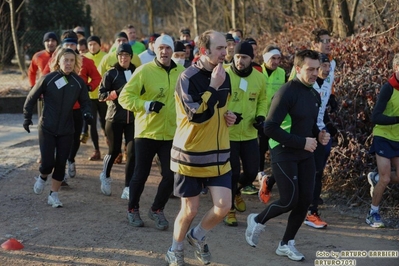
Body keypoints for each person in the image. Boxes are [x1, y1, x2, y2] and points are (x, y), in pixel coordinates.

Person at [245, 49, 330, 262]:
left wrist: (318, 135)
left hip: (305, 152)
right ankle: (257, 220)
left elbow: (308, 124)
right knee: (289, 199)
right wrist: (303, 141)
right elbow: (270, 128)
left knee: (305, 200)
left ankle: (286, 244)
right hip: (283, 151)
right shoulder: (286, 92)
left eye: (317, 69)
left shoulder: (313, 93)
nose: (314, 73)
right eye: (310, 69)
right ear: (298, 68)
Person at [165, 30, 236, 266]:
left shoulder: (225, 76)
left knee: (224, 206)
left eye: (225, 48)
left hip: (219, 154)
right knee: (190, 210)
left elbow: (220, 109)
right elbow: (196, 115)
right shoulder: (187, 77)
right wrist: (213, 87)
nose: (225, 52)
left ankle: (197, 235)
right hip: (191, 155)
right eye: (219, 49)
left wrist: (230, 116)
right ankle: (175, 250)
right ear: (204, 51)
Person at [119, 35, 185, 230]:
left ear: (173, 51)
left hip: (171, 133)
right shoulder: (144, 71)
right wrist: (146, 105)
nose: (164, 52)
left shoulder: (182, 72)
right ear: (155, 50)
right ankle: (132, 208)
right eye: (161, 48)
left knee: (171, 174)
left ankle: (157, 209)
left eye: (168, 48)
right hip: (146, 131)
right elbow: (125, 97)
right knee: (141, 173)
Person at [23, 47, 92, 207]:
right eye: (65, 60)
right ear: (58, 61)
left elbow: (86, 102)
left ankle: (53, 195)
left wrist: (87, 113)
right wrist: (27, 118)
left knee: (61, 163)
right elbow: (31, 97)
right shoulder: (48, 79)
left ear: (75, 63)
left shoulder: (78, 82)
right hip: (47, 126)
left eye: (71, 61)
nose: (68, 63)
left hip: (67, 129)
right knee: (47, 163)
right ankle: (42, 176)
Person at [223, 41, 267, 226]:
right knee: (232, 172)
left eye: (244, 58)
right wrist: (228, 114)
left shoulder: (259, 78)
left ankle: (236, 191)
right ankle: (229, 208)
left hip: (249, 133)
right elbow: (214, 100)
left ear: (251, 59)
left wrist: (261, 116)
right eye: (238, 56)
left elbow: (263, 99)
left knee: (250, 172)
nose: (240, 61)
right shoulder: (224, 74)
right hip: (228, 133)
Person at [98, 43, 136, 199]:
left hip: (133, 119)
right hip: (114, 118)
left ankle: (128, 187)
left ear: (131, 57)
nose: (123, 58)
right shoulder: (111, 74)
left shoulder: (138, 72)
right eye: (120, 55)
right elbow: (101, 95)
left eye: (126, 55)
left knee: (132, 153)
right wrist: (115, 93)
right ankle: (105, 175)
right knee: (114, 152)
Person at [366, 53, 399, 228]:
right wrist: (397, 120)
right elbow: (375, 116)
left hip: (398, 138)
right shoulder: (388, 88)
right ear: (396, 68)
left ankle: (375, 177)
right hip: (383, 136)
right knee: (386, 179)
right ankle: (373, 213)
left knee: (391, 177)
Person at [257, 45, 286, 203]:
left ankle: (271, 180)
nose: (276, 62)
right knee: (260, 148)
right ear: (265, 59)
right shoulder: (257, 71)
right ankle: (260, 174)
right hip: (260, 117)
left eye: (278, 58)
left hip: (276, 119)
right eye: (272, 58)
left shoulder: (282, 73)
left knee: (276, 150)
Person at [28, 32, 59, 163]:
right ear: (44, 42)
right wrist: (33, 87)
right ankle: (43, 153)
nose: (50, 43)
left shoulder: (62, 55)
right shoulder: (38, 56)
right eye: (48, 40)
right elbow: (31, 72)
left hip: (59, 95)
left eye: (53, 40)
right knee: (43, 125)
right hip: (43, 96)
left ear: (57, 42)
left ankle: (58, 152)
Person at [80, 35, 108, 163]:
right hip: (89, 97)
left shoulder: (105, 57)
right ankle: (96, 150)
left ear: (99, 45)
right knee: (92, 124)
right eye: (90, 44)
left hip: (104, 96)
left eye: (94, 44)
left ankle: (111, 146)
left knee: (105, 123)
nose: (92, 46)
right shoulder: (84, 59)